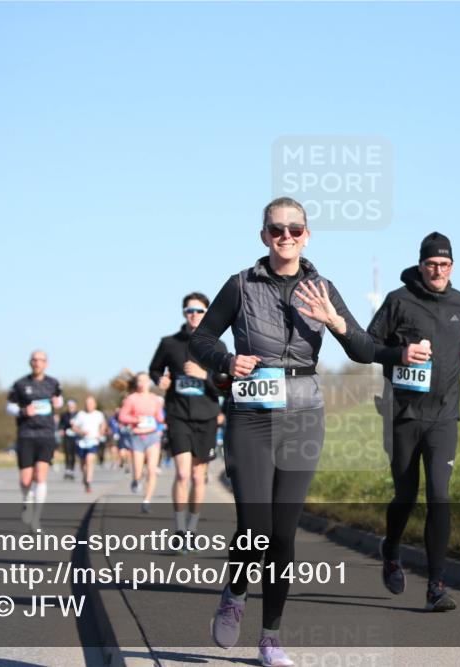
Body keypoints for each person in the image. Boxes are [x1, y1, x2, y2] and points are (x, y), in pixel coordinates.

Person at [190, 196, 376, 667]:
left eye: (294, 229)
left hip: (304, 417)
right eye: (277, 229)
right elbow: (201, 340)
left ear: (307, 236)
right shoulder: (240, 285)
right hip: (251, 415)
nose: (286, 236)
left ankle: (270, 639)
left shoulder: (324, 288)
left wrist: (334, 321)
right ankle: (235, 592)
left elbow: (365, 350)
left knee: (283, 535)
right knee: (256, 529)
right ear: (264, 236)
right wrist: (227, 360)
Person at [368, 232, 460, 612]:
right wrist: (400, 354)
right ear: (421, 265)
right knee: (405, 496)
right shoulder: (398, 301)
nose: (438, 271)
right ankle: (391, 549)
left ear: (452, 266)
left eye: (444, 265)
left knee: (439, 495)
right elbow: (368, 345)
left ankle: (436, 587)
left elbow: (454, 344)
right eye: (432, 264)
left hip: (444, 416)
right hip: (403, 415)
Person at [149, 292, 228, 546]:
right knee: (182, 474)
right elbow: (154, 369)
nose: (194, 315)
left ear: (207, 314)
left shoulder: (217, 346)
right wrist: (159, 380)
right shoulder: (169, 343)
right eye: (189, 311)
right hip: (178, 415)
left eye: (199, 311)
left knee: (197, 476)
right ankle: (180, 529)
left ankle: (192, 528)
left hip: (206, 416)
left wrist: (204, 376)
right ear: (184, 313)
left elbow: (225, 386)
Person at [7, 350, 63, 530]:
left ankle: (36, 519)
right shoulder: (20, 384)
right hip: (26, 434)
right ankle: (27, 499)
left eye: (41, 360)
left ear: (46, 363)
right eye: (34, 360)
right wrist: (23, 411)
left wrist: (58, 403)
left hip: (46, 434)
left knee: (40, 476)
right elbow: (9, 406)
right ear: (30, 362)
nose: (37, 363)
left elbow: (59, 400)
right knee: (26, 480)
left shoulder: (53, 383)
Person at [118, 372, 165, 513]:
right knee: (138, 471)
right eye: (140, 381)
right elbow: (122, 416)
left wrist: (165, 419)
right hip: (137, 437)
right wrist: (135, 420)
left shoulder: (155, 399)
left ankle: (147, 501)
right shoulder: (131, 399)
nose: (142, 383)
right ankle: (136, 480)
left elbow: (160, 417)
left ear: (149, 382)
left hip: (152, 436)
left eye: (145, 380)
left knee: (152, 470)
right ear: (136, 383)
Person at [72, 395, 107, 492]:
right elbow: (74, 427)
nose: (89, 405)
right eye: (87, 404)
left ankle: (88, 481)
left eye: (91, 403)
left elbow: (103, 425)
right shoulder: (81, 414)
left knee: (89, 460)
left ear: (95, 404)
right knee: (82, 464)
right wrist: (81, 432)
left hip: (93, 441)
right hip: (82, 442)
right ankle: (85, 476)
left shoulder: (98, 414)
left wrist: (100, 433)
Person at [57, 399, 79, 480]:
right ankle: (67, 469)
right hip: (67, 436)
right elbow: (61, 424)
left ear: (75, 406)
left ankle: (72, 469)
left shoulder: (79, 414)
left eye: (72, 406)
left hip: (75, 436)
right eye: (69, 406)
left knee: (73, 453)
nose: (70, 407)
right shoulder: (64, 415)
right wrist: (61, 430)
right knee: (67, 452)